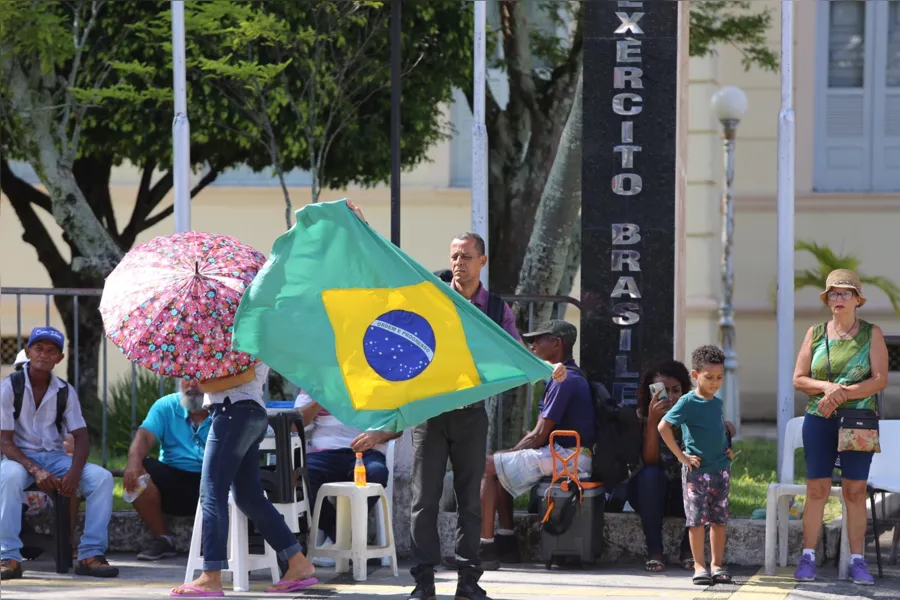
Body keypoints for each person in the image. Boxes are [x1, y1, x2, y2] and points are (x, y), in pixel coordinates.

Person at [408, 232, 566, 600]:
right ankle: (423, 582)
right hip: (430, 415)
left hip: (471, 417)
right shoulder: (434, 297)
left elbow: (515, 353)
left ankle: (468, 582)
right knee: (424, 502)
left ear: (483, 261)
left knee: (470, 502)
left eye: (465, 256)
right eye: (454, 256)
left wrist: (546, 368)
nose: (458, 263)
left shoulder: (496, 309)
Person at [170, 363, 317, 597]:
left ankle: (211, 576)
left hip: (233, 413)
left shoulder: (240, 330)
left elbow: (244, 375)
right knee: (249, 497)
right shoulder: (246, 331)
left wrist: (206, 383)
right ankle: (297, 561)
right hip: (250, 413)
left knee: (212, 493)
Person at [791, 269, 888, 586]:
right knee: (816, 489)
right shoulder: (815, 333)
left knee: (855, 491)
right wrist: (827, 388)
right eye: (833, 293)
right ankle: (807, 555)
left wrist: (840, 394)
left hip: (859, 420)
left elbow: (879, 380)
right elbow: (799, 379)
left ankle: (858, 561)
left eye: (845, 293)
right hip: (819, 419)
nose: (839, 298)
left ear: (858, 300)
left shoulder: (871, 333)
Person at [0, 327, 118, 579]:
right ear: (28, 352)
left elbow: (82, 437)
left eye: (51, 350)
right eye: (38, 348)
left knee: (102, 479)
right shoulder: (9, 387)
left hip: (54, 458)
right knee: (8, 477)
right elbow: (5, 441)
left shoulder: (65, 391)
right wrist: (36, 470)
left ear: (59, 358)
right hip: (18, 458)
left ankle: (89, 554)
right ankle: (8, 556)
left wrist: (74, 473)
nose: (43, 354)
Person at [479, 320, 594, 571]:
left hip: (569, 456)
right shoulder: (565, 375)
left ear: (556, 343)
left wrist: (508, 452)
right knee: (499, 467)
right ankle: (506, 542)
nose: (531, 345)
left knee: (488, 467)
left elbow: (539, 435)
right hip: (568, 453)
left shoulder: (564, 379)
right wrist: (510, 453)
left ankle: (485, 548)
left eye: (538, 339)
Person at [295, 389, 400, 564]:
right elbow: (295, 423)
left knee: (376, 473)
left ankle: (341, 539)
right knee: (301, 478)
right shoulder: (316, 378)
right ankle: (341, 535)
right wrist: (321, 398)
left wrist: (378, 436)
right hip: (325, 453)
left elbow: (397, 426)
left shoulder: (374, 378)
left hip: (366, 452)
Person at [658, 345, 734, 586]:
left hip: (720, 469)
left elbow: (717, 431)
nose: (714, 383)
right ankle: (699, 566)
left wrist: (726, 449)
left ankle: (717, 564)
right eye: (709, 377)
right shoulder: (687, 402)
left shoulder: (717, 403)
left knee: (719, 519)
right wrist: (682, 457)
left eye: (719, 377)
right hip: (696, 472)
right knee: (697, 520)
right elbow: (663, 427)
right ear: (695, 375)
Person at [123, 381, 211, 561]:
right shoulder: (166, 405)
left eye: (198, 377)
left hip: (212, 481)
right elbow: (145, 437)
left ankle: (216, 543)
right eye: (186, 377)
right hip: (173, 481)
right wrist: (133, 462)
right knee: (139, 470)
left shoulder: (224, 409)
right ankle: (163, 539)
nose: (192, 384)